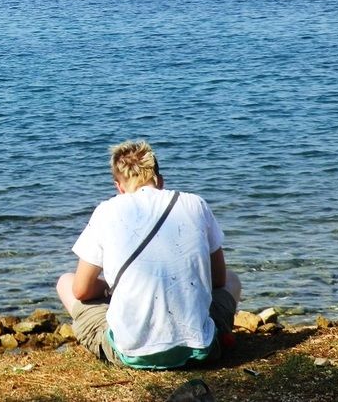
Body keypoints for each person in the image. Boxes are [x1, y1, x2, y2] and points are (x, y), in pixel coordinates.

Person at [56, 140, 241, 369]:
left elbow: (81, 290)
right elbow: (220, 279)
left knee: (66, 281)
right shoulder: (195, 203)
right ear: (160, 181)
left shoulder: (106, 211)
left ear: (119, 187)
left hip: (130, 353)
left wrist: (107, 288)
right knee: (233, 279)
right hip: (201, 349)